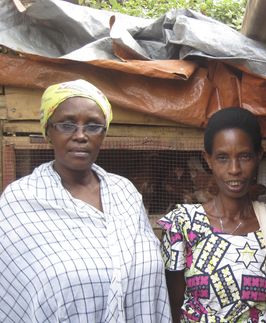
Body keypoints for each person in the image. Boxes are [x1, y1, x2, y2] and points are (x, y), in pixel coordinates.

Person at [0, 79, 172, 322]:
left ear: (104, 134)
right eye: (67, 125)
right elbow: (14, 294)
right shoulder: (21, 200)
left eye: (93, 126)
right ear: (48, 131)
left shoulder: (125, 193)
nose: (80, 135)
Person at [157, 107, 266, 322]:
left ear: (258, 156)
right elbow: (173, 307)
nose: (234, 169)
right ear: (208, 159)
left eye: (245, 156)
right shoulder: (183, 223)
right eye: (222, 158)